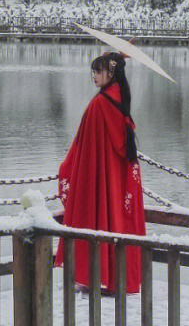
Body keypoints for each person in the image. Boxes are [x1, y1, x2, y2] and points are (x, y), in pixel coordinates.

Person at [54, 50, 146, 294]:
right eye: (93, 71)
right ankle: (119, 279)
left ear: (111, 72)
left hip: (100, 180)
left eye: (99, 70)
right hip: (121, 181)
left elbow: (82, 147)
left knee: (101, 219)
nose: (94, 75)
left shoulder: (99, 104)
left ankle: (100, 276)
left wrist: (67, 168)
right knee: (118, 221)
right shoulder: (120, 100)